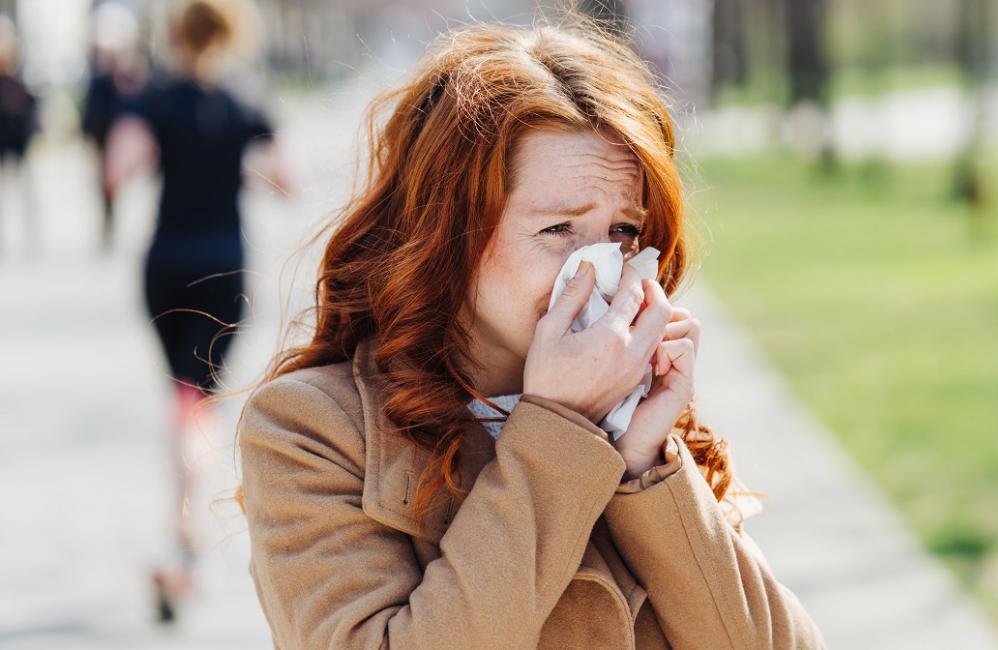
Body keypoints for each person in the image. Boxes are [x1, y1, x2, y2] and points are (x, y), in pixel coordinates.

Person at [238, 22, 825, 649]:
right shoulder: (311, 428)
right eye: (557, 230)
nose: (598, 270)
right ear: (447, 235)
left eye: (623, 231)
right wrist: (560, 428)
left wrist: (647, 468)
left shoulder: (639, 417)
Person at [103, 0, 289, 624]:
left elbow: (117, 169)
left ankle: (181, 539)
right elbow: (285, 178)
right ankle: (182, 542)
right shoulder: (245, 102)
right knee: (199, 404)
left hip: (165, 266)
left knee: (184, 400)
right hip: (224, 269)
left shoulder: (151, 99)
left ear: (178, 36)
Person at [81, 2, 148, 251]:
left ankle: (113, 222)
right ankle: (107, 223)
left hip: (118, 135)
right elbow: (91, 109)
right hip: (102, 135)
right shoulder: (99, 78)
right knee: (103, 183)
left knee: (115, 182)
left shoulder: (128, 75)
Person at [0, 14, 39, 257]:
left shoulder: (19, 77)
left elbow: (29, 108)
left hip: (18, 141)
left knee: (25, 188)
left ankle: (30, 231)